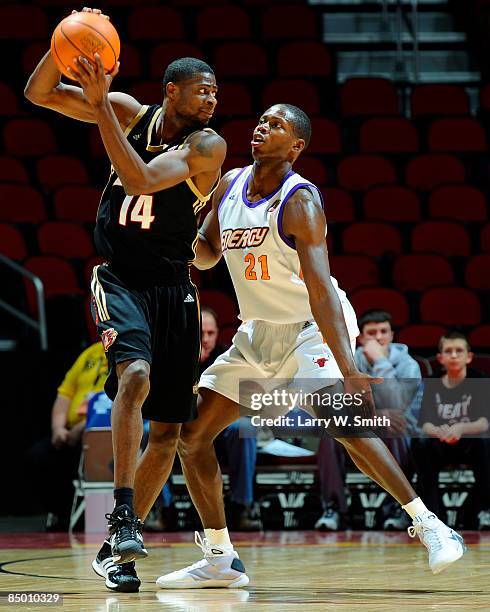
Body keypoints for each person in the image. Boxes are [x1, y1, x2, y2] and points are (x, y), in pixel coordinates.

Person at [155, 103, 465, 589]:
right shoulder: (229, 184)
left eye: (276, 125)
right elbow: (209, 252)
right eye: (261, 120)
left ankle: (430, 525)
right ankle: (220, 558)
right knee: (192, 437)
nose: (262, 127)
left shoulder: (300, 202)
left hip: (310, 326)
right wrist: (174, 238)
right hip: (258, 331)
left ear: (296, 146)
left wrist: (348, 368)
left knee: (343, 424)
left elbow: (320, 292)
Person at [25, 6, 225, 593]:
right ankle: (119, 510)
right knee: (132, 376)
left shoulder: (207, 145)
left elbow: (137, 178)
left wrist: (101, 104)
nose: (213, 100)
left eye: (216, 92)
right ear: (172, 92)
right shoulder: (129, 112)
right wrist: (68, 45)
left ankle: (120, 545)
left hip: (175, 285)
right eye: (203, 91)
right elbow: (38, 92)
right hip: (120, 278)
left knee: (168, 431)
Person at [315, 310, 421, 531]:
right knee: (330, 433)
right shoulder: (348, 364)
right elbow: (339, 406)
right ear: (361, 338)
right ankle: (333, 508)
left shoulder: (408, 364)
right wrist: (375, 417)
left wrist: (381, 361)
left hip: (401, 432)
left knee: (394, 428)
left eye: (384, 332)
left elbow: (397, 405)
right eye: (372, 333)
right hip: (362, 425)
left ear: (392, 335)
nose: (379, 337)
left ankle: (398, 507)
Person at [411, 331, 490, 529]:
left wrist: (460, 428)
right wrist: (440, 432)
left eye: (459, 351)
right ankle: (434, 517)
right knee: (419, 443)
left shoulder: (478, 380)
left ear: (468, 356)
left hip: (470, 440)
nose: (454, 355)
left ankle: (476, 513)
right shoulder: (432, 382)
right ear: (440, 358)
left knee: (486, 442)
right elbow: (424, 423)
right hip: (440, 441)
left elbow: (484, 422)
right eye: (448, 351)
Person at [27, 341, 108, 531]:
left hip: (101, 430)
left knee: (92, 448)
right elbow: (64, 394)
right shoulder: (89, 354)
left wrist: (82, 428)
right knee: (38, 455)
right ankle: (59, 513)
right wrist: (58, 429)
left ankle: (88, 518)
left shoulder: (128, 348)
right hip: (70, 432)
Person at [201, 306, 262, 531]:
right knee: (150, 432)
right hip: (185, 427)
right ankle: (161, 509)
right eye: (200, 334)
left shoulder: (228, 357)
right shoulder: (177, 356)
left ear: (218, 333)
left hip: (221, 429)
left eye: (210, 333)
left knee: (245, 427)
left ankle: (242, 505)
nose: (205, 339)